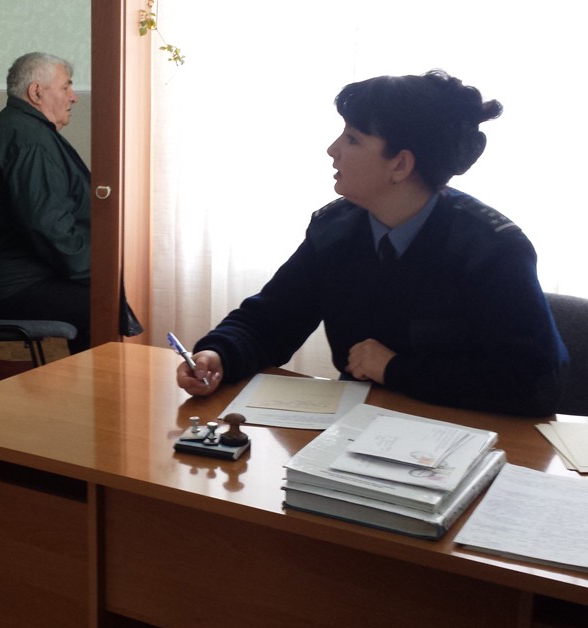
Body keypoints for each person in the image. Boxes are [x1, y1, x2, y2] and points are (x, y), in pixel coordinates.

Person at [176, 70, 567, 416]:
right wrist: (218, 354)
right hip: (355, 433)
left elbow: (534, 382)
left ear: (400, 164)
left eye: (352, 138)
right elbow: (271, 321)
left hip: (465, 439)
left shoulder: (491, 249)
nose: (333, 150)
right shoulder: (335, 229)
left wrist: (395, 368)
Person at [0, 51, 140, 353]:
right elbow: (46, 225)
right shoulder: (29, 139)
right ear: (36, 92)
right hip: (12, 283)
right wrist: (97, 268)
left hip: (19, 275)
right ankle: (98, 384)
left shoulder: (21, 127)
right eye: (66, 86)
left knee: (105, 293)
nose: (73, 97)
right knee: (102, 303)